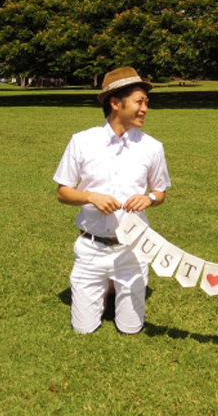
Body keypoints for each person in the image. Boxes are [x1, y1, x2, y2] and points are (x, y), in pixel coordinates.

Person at [53, 67, 171, 335]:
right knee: (83, 329)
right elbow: (63, 193)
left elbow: (161, 192)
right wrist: (90, 196)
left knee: (131, 329)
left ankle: (116, 287)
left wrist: (149, 198)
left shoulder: (152, 147)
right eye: (140, 102)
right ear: (116, 103)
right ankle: (104, 289)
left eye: (146, 103)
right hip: (90, 250)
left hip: (132, 250)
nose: (145, 109)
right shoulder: (82, 142)